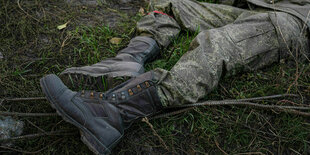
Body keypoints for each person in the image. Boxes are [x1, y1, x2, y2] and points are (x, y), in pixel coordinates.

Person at [40, 0, 310, 154]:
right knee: (172, 3)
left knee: (218, 43)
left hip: (295, 22)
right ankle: (128, 60)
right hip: (264, 7)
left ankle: (113, 113)